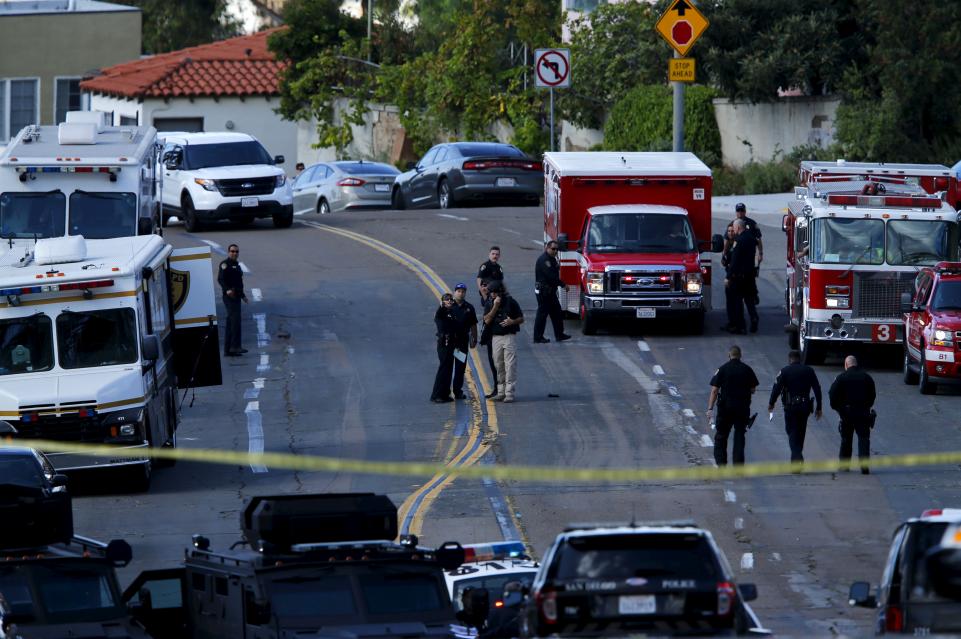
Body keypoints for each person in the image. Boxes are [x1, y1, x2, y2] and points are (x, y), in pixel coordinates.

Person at [768, 350, 822, 465]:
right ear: (800, 359)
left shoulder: (784, 371)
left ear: (789, 359)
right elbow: (817, 389)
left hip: (790, 407)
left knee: (792, 432)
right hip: (804, 407)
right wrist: (819, 407)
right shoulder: (809, 370)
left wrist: (771, 403)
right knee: (801, 432)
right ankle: (796, 460)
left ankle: (797, 458)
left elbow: (776, 389)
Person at [707, 345, 759, 466]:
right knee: (740, 435)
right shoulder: (747, 369)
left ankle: (721, 463)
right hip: (742, 407)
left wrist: (710, 408)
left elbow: (714, 390)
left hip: (725, 408)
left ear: (729, 355)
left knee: (721, 436)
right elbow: (753, 389)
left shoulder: (722, 369)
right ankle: (738, 465)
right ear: (740, 355)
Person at [829, 355, 877, 474]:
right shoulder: (867, 377)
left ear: (846, 365)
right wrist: (867, 406)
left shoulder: (841, 378)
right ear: (856, 364)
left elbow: (832, 395)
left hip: (847, 413)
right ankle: (864, 466)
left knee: (846, 439)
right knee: (864, 439)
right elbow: (872, 395)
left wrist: (839, 409)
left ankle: (845, 465)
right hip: (863, 413)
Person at [484, 281, 524, 402]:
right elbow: (486, 320)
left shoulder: (510, 302)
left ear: (500, 292)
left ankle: (509, 392)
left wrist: (512, 322)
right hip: (495, 337)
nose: (492, 295)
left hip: (508, 336)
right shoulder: (490, 303)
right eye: (491, 292)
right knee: (498, 364)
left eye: (495, 292)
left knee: (510, 364)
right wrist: (495, 307)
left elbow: (521, 318)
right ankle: (501, 391)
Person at [533, 240, 571, 344]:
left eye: (556, 249)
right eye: (553, 249)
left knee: (557, 313)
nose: (555, 251)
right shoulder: (545, 260)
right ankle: (537, 337)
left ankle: (559, 335)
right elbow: (552, 277)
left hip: (550, 292)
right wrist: (563, 285)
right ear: (547, 248)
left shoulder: (552, 259)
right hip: (544, 292)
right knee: (542, 315)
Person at [726, 219, 759, 334]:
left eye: (734, 228)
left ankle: (741, 326)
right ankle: (754, 317)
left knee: (738, 301)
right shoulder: (751, 238)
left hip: (740, 276)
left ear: (738, 228)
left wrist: (728, 276)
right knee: (749, 299)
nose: (733, 230)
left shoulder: (739, 241)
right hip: (750, 275)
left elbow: (735, 261)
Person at [218, 244, 248, 357]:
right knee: (235, 321)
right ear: (228, 252)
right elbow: (220, 279)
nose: (234, 253)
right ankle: (235, 346)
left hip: (237, 296)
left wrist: (243, 296)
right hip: (229, 297)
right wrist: (227, 290)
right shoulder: (225, 264)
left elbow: (239, 283)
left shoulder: (237, 265)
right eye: (232, 251)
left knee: (231, 322)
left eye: (236, 251)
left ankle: (228, 350)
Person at [449, 283, 478, 399]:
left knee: (460, 367)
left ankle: (457, 390)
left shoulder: (469, 308)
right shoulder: (449, 305)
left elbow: (473, 325)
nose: (461, 293)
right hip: (450, 343)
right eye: (459, 291)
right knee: (447, 366)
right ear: (454, 292)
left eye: (463, 291)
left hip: (461, 343)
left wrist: (474, 338)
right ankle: (446, 390)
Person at [431, 293, 458, 403]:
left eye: (451, 299)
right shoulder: (441, 313)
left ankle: (445, 393)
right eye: (447, 300)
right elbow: (439, 314)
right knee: (443, 369)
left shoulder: (451, 312)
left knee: (449, 369)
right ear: (443, 302)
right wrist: (441, 305)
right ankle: (437, 395)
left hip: (451, 344)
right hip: (444, 344)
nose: (450, 301)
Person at [735, 202, 763, 304]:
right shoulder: (733, 224)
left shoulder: (752, 224)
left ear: (745, 211)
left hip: (750, 255)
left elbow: (758, 239)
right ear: (736, 212)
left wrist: (760, 253)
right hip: (738, 254)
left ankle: (753, 294)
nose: (740, 213)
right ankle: (740, 296)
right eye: (738, 211)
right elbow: (727, 239)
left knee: (751, 275)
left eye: (742, 210)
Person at [478, 279, 498, 398]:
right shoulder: (486, 300)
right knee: (492, 364)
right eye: (483, 286)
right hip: (489, 337)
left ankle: (502, 389)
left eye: (487, 286)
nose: (484, 288)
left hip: (498, 336)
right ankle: (497, 388)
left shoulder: (498, 301)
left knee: (499, 365)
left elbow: (487, 320)